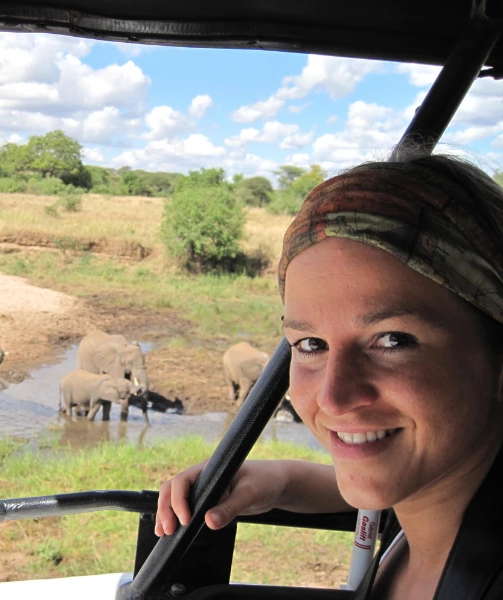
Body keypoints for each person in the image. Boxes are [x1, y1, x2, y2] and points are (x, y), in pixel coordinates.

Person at [155, 153, 503, 599]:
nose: (333, 398)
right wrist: (282, 479)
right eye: (311, 345)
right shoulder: (438, 503)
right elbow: (393, 488)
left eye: (393, 340)